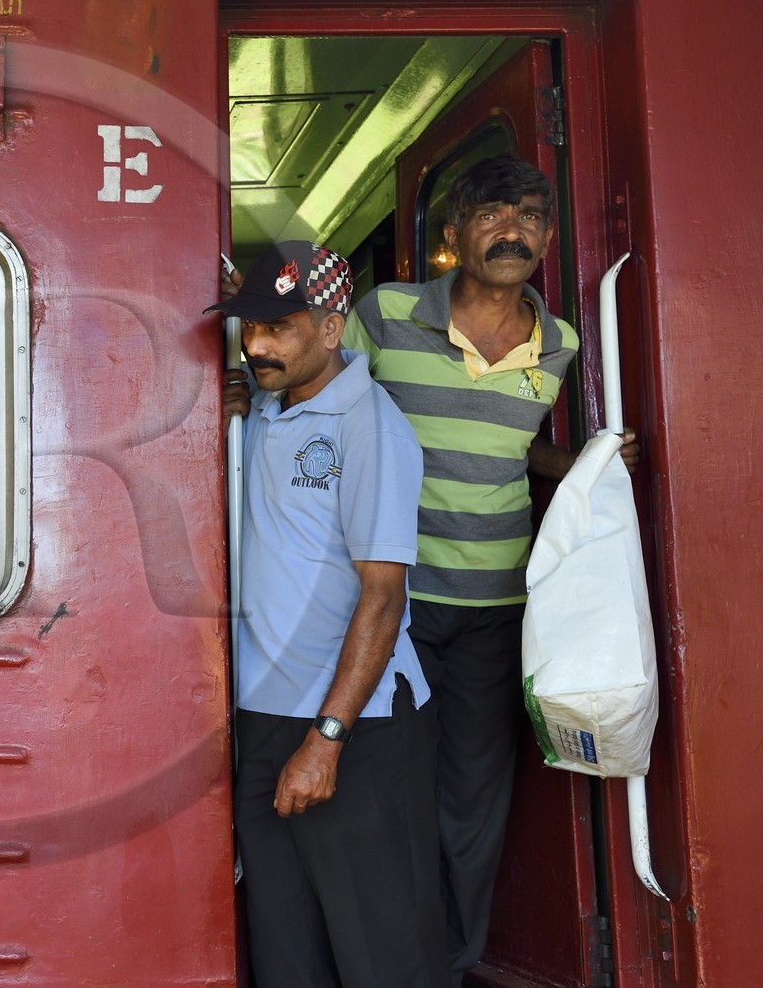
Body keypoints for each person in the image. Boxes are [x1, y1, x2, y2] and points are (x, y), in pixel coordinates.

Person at [223, 157, 640, 983]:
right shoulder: (382, 318)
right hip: (399, 603)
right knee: (383, 827)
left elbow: (507, 446)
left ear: (549, 239)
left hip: (487, 597)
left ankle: (452, 961)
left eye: (529, 217)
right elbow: (314, 383)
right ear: (452, 235)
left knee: (468, 806)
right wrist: (243, 392)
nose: (512, 229)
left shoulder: (559, 346)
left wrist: (588, 463)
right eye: (492, 214)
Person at [208, 241, 444, 987]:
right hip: (262, 716)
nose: (257, 345)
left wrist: (327, 738)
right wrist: (234, 425)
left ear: (332, 327)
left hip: (353, 725)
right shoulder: (267, 414)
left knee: (378, 951)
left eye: (280, 327)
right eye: (250, 328)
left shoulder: (370, 427)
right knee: (286, 946)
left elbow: (383, 595)